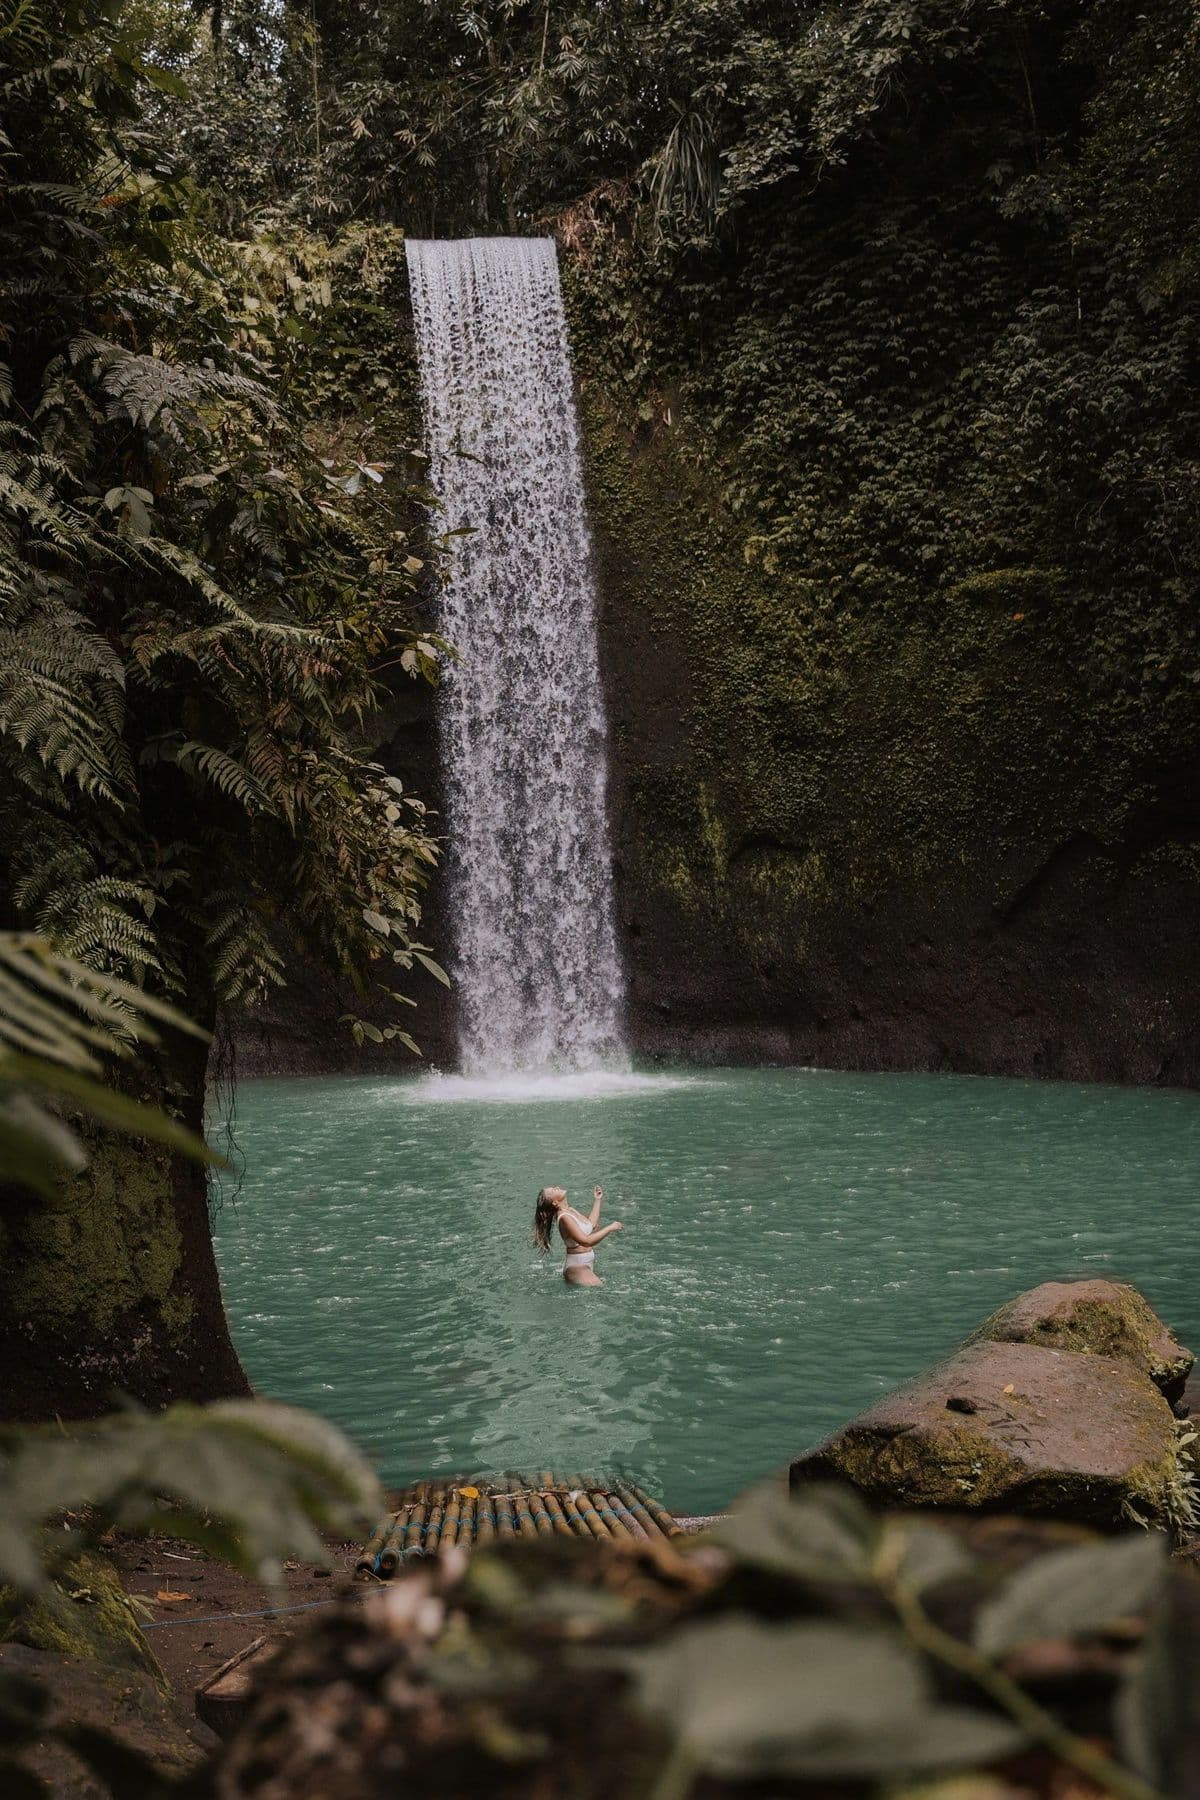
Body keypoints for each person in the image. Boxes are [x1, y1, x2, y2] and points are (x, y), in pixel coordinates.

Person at [532, 1184, 623, 1287]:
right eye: (553, 1190)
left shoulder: (570, 1210)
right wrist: (610, 1228)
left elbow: (591, 1224)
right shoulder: (564, 1218)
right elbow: (586, 1241)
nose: (556, 1187)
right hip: (577, 1267)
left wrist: (597, 1200)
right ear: (555, 1202)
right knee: (601, 1290)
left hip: (585, 1263)